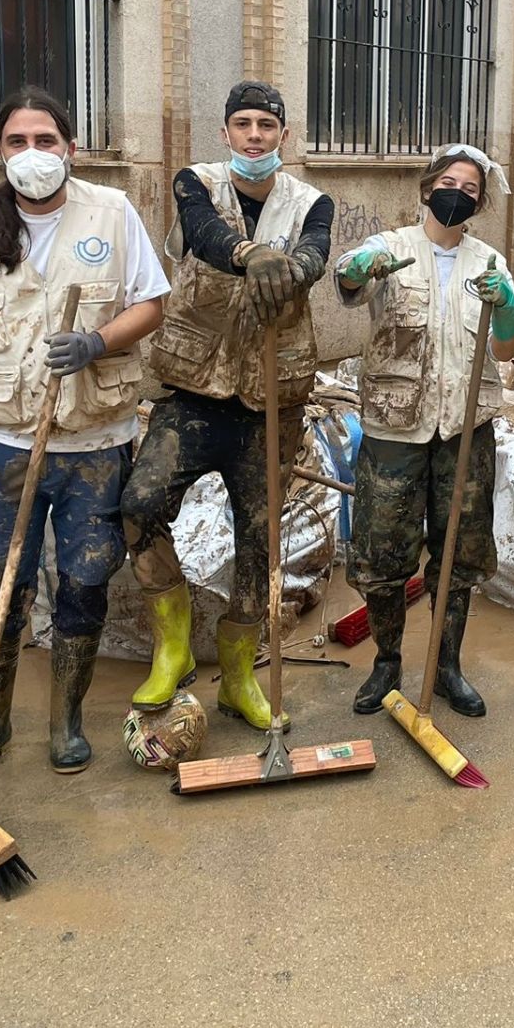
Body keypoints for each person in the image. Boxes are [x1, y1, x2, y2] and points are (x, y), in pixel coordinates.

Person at [0, 87, 168, 775]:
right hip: (7, 445)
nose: (32, 154)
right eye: (17, 142)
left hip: (95, 445)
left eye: (46, 140)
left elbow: (151, 303)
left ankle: (66, 721)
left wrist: (97, 342)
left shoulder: (112, 212)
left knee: (84, 584)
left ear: (70, 147)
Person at [118, 81, 332, 731]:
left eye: (267, 125)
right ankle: (175, 642)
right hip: (196, 392)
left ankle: (240, 677)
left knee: (259, 540)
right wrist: (249, 254)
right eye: (243, 124)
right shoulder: (198, 184)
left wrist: (293, 270)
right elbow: (205, 237)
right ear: (225, 133)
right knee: (139, 502)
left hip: (273, 402)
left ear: (284, 137)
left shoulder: (311, 201)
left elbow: (317, 254)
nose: (255, 136)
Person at [334, 146, 514, 718]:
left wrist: (510, 307)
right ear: (425, 189)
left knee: (458, 555)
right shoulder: (391, 248)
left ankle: (447, 667)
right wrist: (356, 269)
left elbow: (507, 348)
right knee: (383, 553)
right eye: (448, 182)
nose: (457, 194)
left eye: (470, 189)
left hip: (465, 432)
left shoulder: (488, 261)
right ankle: (387, 662)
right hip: (394, 430)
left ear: (480, 203)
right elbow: (348, 279)